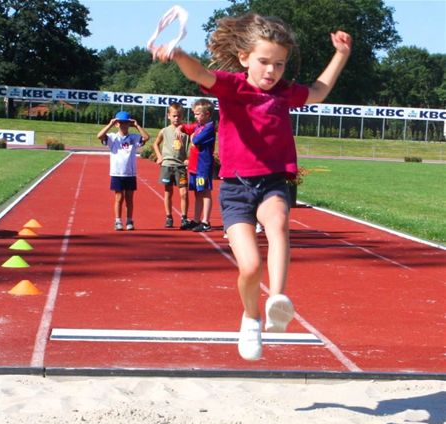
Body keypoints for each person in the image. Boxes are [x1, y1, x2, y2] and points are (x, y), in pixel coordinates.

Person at [151, 13, 352, 360]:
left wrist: (341, 55)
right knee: (249, 267)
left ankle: (277, 298)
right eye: (264, 62)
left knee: (278, 226)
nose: (272, 71)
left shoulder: (286, 93)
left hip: (273, 182)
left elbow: (318, 92)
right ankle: (251, 316)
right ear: (244, 58)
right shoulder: (233, 87)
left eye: (279, 64)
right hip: (235, 189)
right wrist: (179, 55)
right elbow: (201, 74)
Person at [97, 111, 150, 231]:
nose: (123, 125)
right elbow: (99, 136)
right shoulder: (112, 137)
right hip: (117, 173)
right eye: (120, 123)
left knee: (129, 199)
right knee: (119, 198)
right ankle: (118, 220)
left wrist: (137, 125)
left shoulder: (133, 138)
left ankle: (130, 220)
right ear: (116, 124)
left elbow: (146, 137)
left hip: (130, 173)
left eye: (126, 123)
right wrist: (110, 124)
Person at [177, 98, 216, 232]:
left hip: (202, 167)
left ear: (207, 114)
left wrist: (192, 135)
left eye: (198, 114)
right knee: (197, 193)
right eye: (194, 113)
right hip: (194, 166)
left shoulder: (209, 127)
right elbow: (188, 128)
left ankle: (206, 222)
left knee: (205, 192)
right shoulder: (198, 126)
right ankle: (196, 219)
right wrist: (180, 126)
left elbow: (196, 139)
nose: (195, 116)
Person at [153, 103, 191, 229]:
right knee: (168, 192)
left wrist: (188, 158)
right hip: (167, 165)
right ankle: (169, 216)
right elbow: (156, 144)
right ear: (168, 116)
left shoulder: (186, 132)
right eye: (174, 116)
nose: (176, 118)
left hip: (180, 167)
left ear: (182, 117)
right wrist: (159, 156)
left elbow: (191, 147)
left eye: (179, 116)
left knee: (184, 193)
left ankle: (184, 218)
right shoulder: (164, 131)